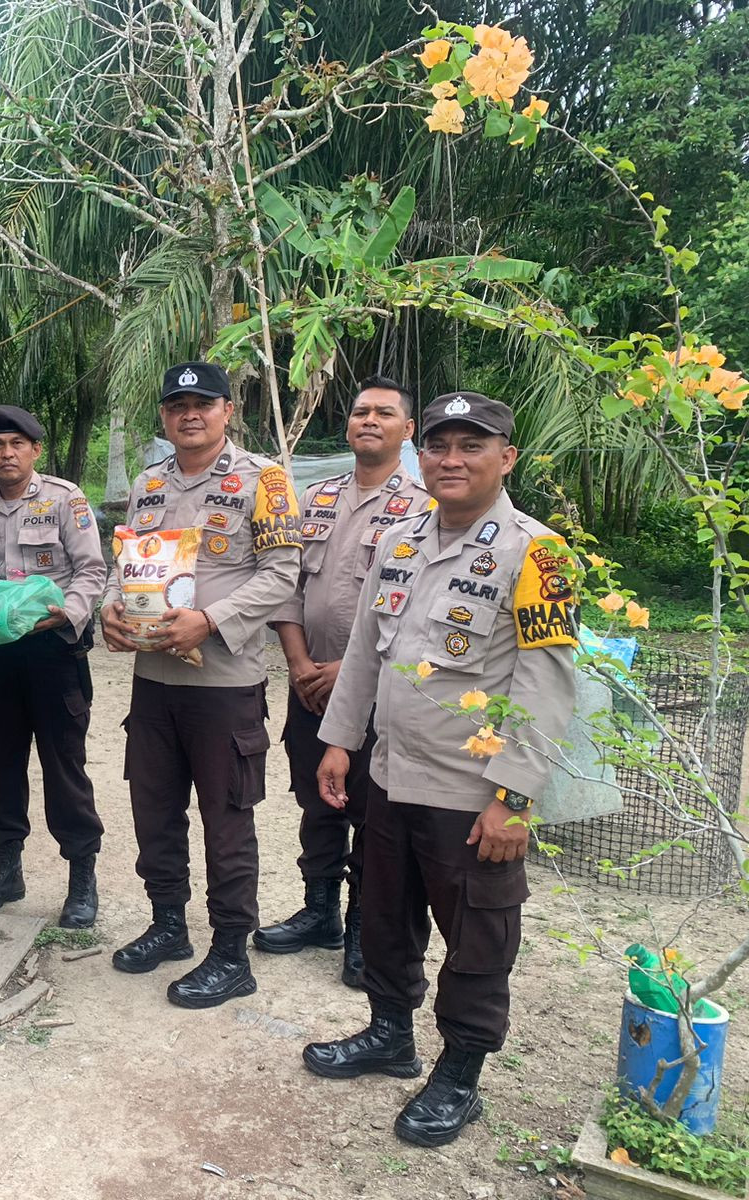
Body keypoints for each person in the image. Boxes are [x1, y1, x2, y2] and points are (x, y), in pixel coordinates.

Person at [304, 392, 577, 1148]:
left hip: (471, 794)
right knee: (386, 917)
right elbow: (365, 653)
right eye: (439, 445)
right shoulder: (399, 540)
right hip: (390, 776)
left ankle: (460, 1075)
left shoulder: (538, 553)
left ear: (506, 457)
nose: (451, 459)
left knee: (478, 940)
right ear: (421, 455)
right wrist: (338, 741)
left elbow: (547, 687)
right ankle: (389, 1034)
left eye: (472, 445)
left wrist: (514, 798)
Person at [101, 362, 301, 1007]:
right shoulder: (149, 482)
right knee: (153, 809)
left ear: (227, 411)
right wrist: (110, 607)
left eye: (203, 403)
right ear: (164, 415)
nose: (190, 413)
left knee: (226, 819)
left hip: (224, 682)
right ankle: (168, 925)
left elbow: (282, 574)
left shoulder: (263, 480)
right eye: (177, 404)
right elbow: (125, 563)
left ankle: (229, 952)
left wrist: (210, 621)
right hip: (154, 677)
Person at [257, 376, 430, 988]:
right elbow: (288, 587)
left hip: (379, 694)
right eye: (360, 412)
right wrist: (301, 665)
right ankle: (319, 911)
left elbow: (417, 613)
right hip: (307, 683)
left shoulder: (424, 508)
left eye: (385, 413)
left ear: (408, 431)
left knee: (372, 812)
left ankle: (363, 929)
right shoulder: (316, 497)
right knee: (315, 799)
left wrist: (349, 672)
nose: (369, 421)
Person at [0, 405, 108, 928]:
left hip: (54, 652)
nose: (7, 453)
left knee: (65, 767)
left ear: (34, 450)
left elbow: (91, 569)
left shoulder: (66, 500)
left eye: (17, 444)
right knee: (0, 763)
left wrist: (69, 613)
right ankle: (6, 868)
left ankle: (81, 876)